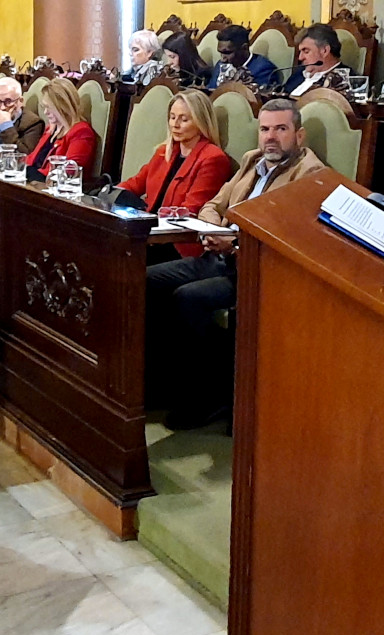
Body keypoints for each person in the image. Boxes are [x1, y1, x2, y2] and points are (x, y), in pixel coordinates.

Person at [145, 98, 325, 427]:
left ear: (299, 136)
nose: (271, 137)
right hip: (218, 255)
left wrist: (235, 241)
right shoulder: (251, 161)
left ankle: (209, 396)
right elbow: (213, 205)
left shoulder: (309, 173)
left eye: (281, 129)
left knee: (188, 298)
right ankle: (161, 384)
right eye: (265, 129)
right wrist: (218, 231)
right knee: (145, 279)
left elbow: (286, 235)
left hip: (257, 270)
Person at [117, 89, 234, 232]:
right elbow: (135, 184)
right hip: (147, 228)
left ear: (201, 122)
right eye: (172, 117)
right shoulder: (164, 151)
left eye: (184, 119)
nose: (175, 124)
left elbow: (191, 211)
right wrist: (110, 194)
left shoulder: (213, 158)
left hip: (175, 237)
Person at [23, 77, 98, 179]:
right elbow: (32, 159)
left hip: (54, 188)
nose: (45, 112)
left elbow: (68, 171)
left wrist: (30, 173)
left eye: (49, 107)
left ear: (62, 106)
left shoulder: (81, 132)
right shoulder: (51, 129)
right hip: (35, 183)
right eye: (44, 107)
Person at [283, 24, 356, 100]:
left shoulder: (345, 80)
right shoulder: (298, 74)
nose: (301, 57)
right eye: (300, 52)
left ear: (325, 51)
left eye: (306, 51)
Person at [208, 25, 280, 90]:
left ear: (244, 48)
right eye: (220, 52)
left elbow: (259, 100)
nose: (223, 59)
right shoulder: (220, 64)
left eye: (227, 53)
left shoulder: (263, 69)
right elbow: (211, 90)